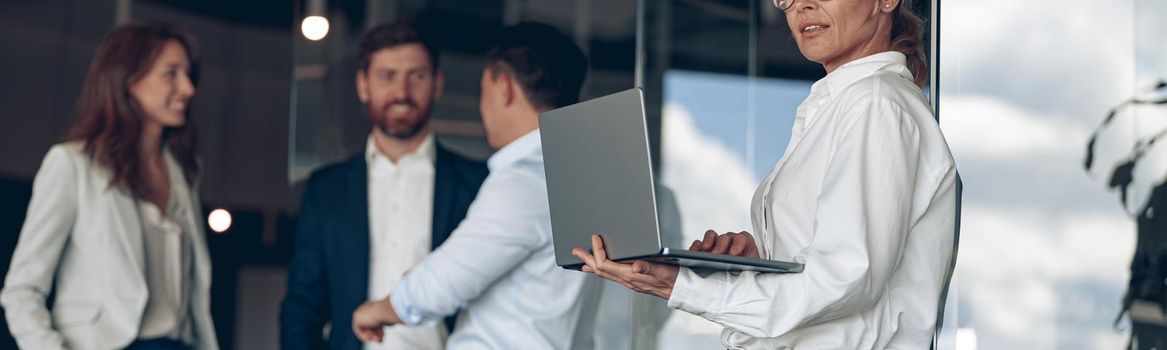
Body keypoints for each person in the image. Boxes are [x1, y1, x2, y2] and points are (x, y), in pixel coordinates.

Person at [574, 0, 958, 348]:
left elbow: (843, 280)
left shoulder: (876, 105)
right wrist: (766, 257)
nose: (801, 7)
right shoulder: (841, 107)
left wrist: (680, 286)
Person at [349, 22, 601, 349]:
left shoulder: (523, 181)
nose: (482, 107)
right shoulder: (579, 175)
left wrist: (378, 309)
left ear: (504, 87)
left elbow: (444, 283)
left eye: (483, 91)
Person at [0, 22, 218, 350]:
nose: (187, 88)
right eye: (170, 73)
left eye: (188, 75)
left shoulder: (186, 172)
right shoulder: (72, 164)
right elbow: (22, 291)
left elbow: (192, 298)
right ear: (128, 79)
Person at [279, 21, 488, 350]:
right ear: (363, 86)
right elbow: (302, 307)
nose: (402, 92)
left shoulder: (478, 182)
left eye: (416, 75)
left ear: (437, 84)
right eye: (387, 76)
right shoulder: (325, 189)